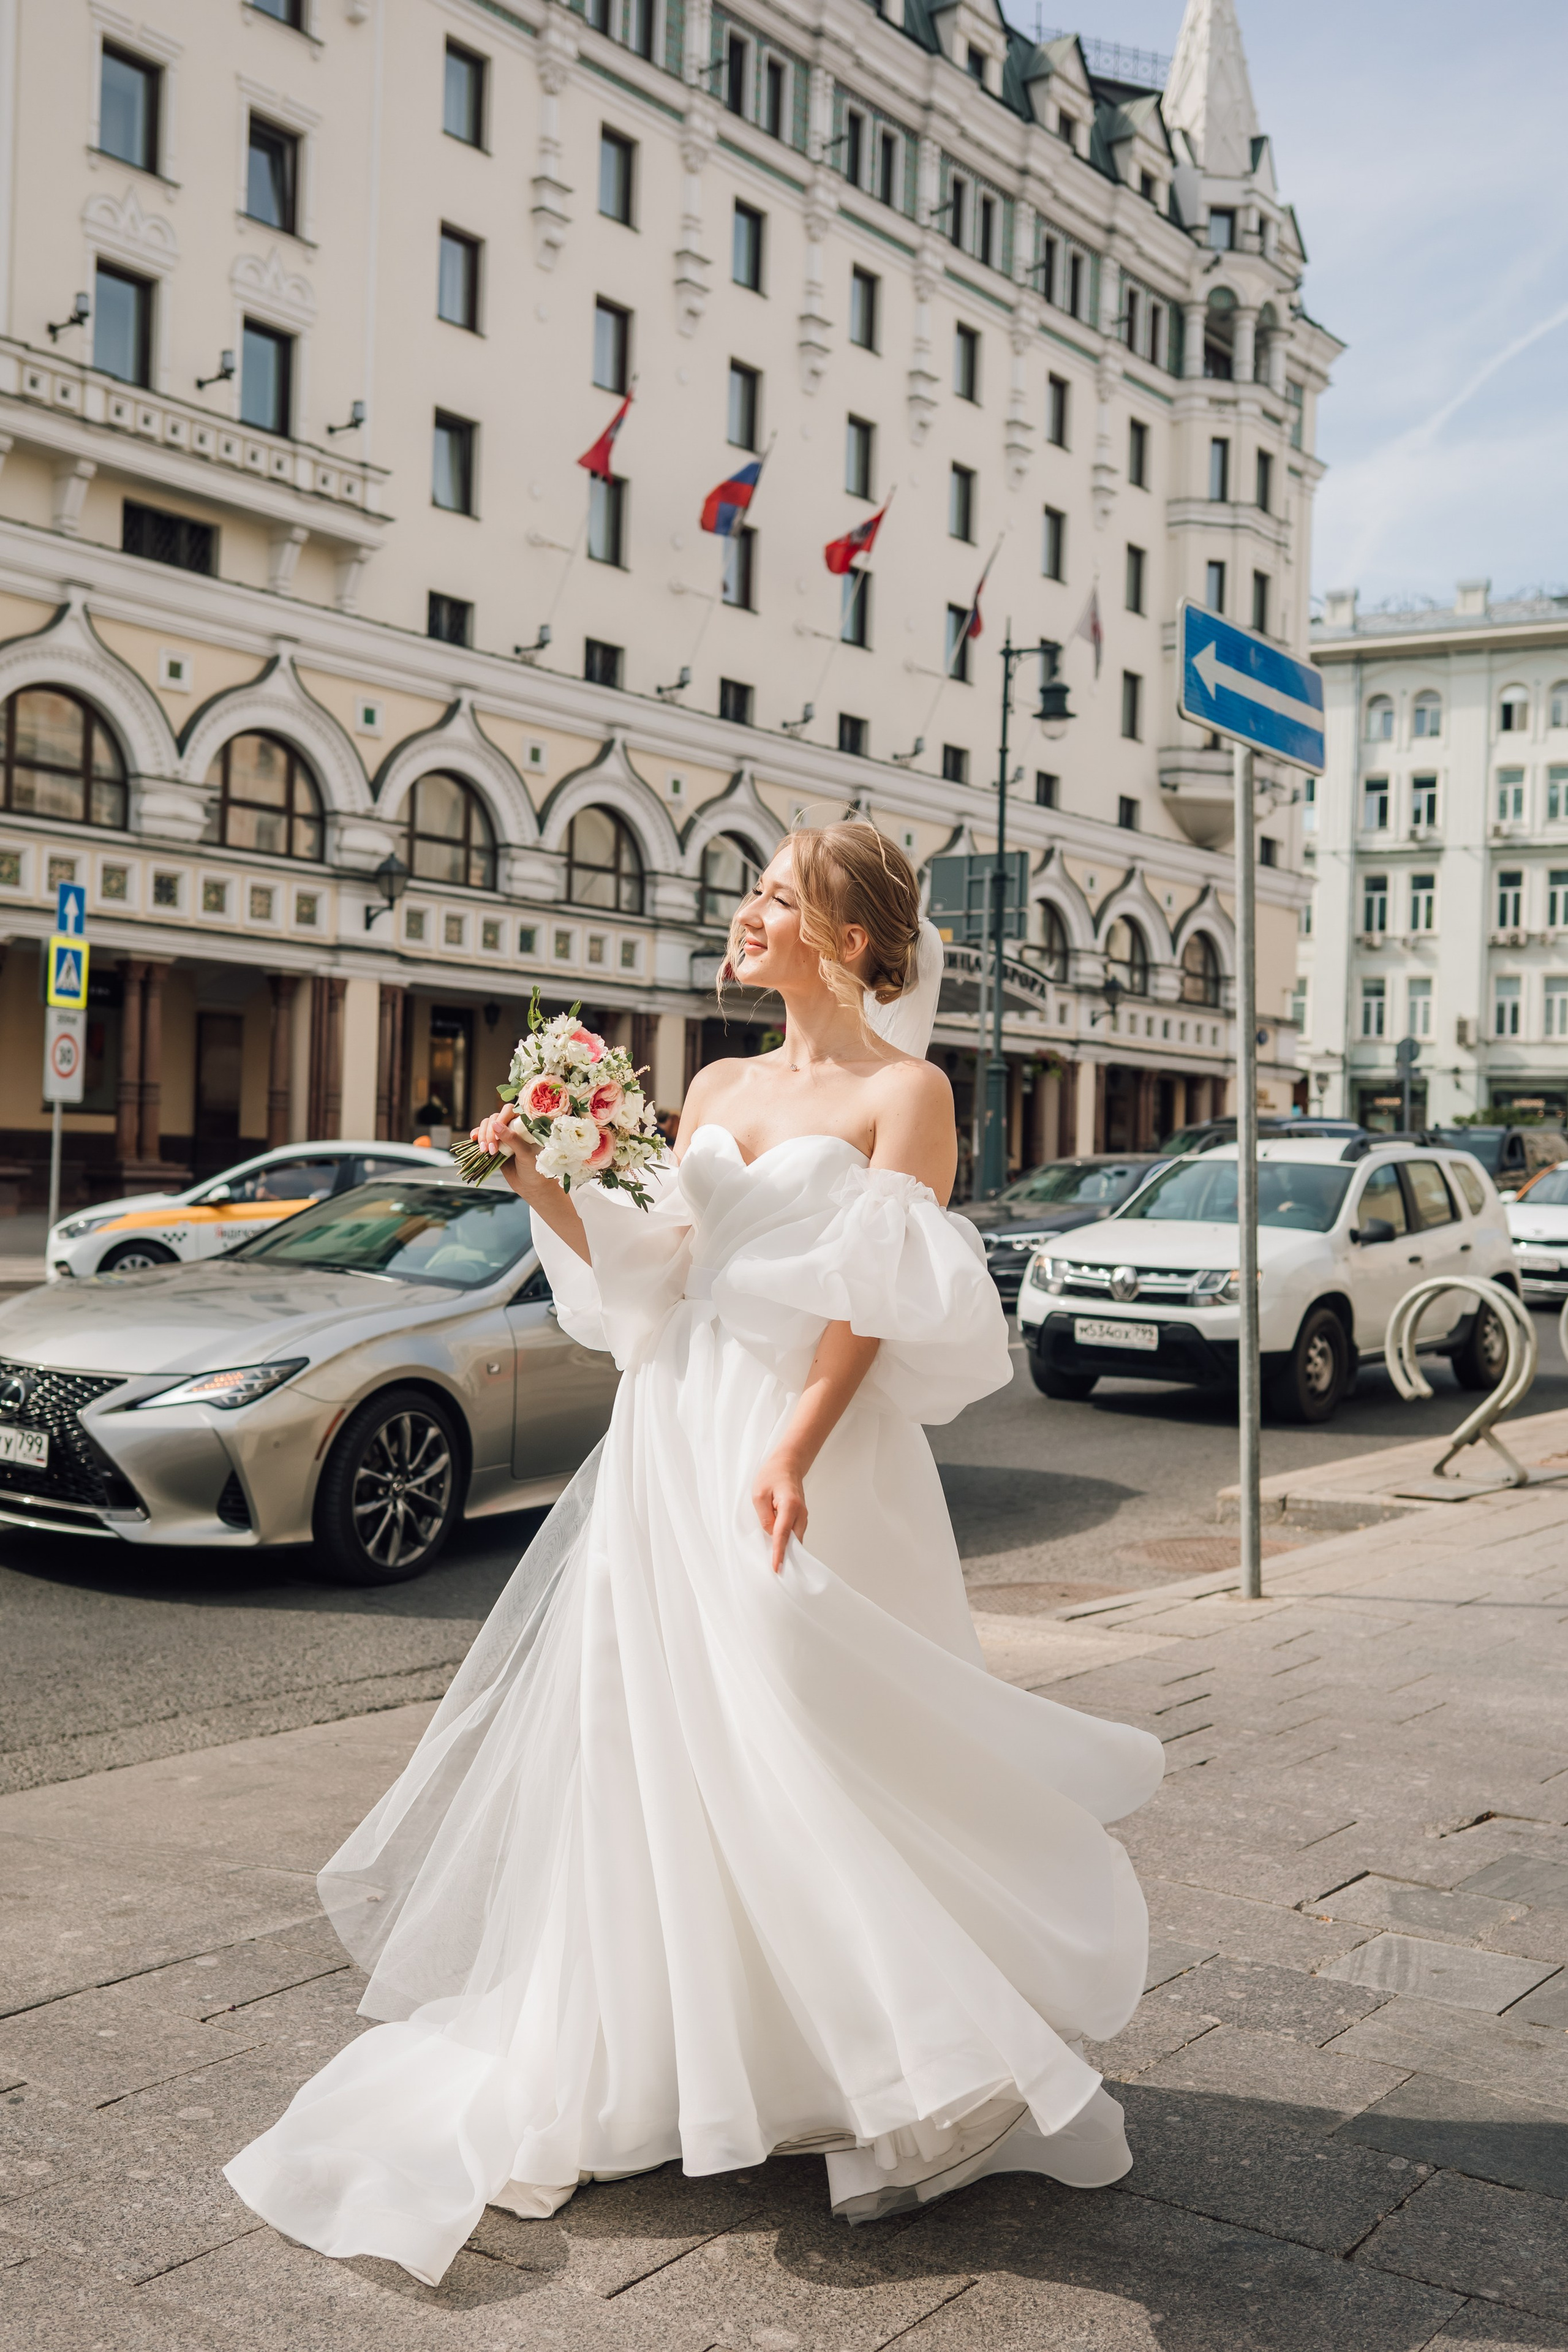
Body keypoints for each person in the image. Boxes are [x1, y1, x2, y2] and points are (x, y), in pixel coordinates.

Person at [225, 824, 1163, 2287]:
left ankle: (910, 2067)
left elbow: (874, 1297)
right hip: (671, 1430)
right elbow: (650, 1276)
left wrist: (791, 1449)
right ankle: (679, 2058)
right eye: (758, 889)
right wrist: (539, 1178)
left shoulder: (906, 1094)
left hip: (804, 1449)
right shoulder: (719, 1086)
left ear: (849, 940)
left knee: (804, 1734)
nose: (749, 910)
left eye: (778, 895)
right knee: (652, 1742)